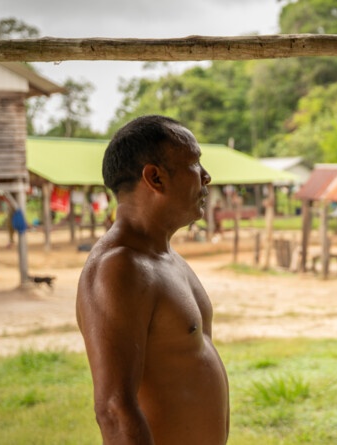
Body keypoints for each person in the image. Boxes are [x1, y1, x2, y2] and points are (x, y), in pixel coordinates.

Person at [76, 115, 230, 444]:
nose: (206, 177)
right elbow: (115, 410)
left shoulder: (166, 259)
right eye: (194, 163)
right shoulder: (118, 268)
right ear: (155, 177)